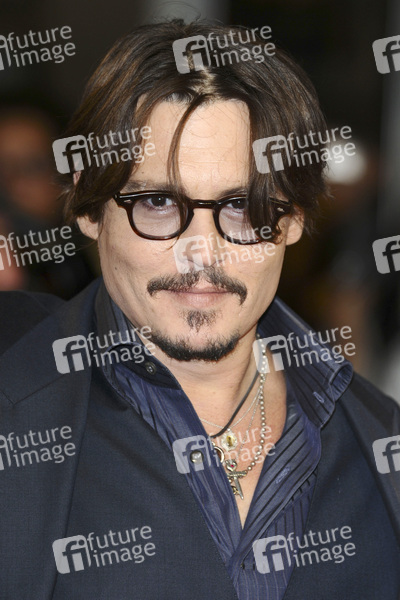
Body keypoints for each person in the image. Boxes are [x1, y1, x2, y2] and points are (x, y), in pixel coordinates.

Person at [0, 20, 398, 600]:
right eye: (159, 202)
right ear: (88, 204)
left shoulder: (381, 440)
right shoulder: (17, 398)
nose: (202, 253)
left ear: (291, 219)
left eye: (243, 207)